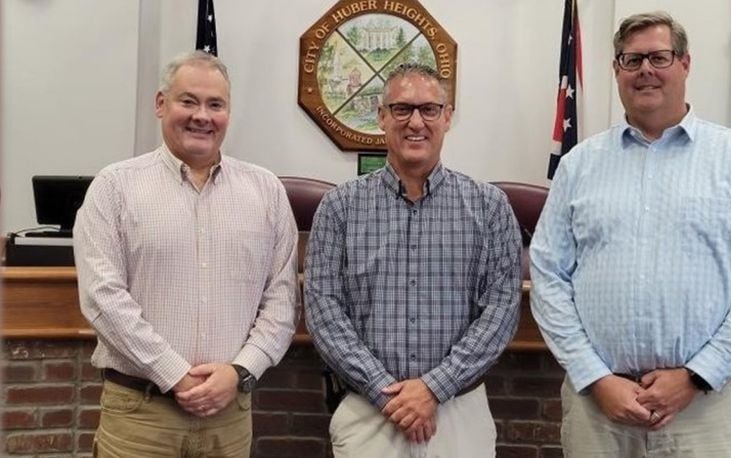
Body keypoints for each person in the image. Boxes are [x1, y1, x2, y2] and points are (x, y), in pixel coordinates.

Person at [530, 11, 731, 457]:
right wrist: (594, 376)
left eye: (659, 57)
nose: (645, 70)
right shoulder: (579, 165)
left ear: (685, 64)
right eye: (631, 60)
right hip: (599, 410)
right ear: (617, 70)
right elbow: (548, 275)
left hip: (703, 410)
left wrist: (696, 375)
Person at [73, 50, 300, 457]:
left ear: (228, 112)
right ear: (162, 104)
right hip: (140, 415)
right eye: (188, 101)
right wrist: (175, 374)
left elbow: (281, 303)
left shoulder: (265, 191)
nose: (202, 116)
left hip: (228, 416)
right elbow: (102, 299)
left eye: (216, 105)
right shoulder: (114, 187)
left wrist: (239, 371)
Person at [304, 63, 522, 457]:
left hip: (459, 411)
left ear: (448, 116)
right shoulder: (339, 207)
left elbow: (501, 311)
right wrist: (385, 393)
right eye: (401, 109)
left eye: (429, 109)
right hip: (369, 411)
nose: (415, 122)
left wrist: (435, 387)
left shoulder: (490, 207)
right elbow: (323, 311)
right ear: (382, 117)